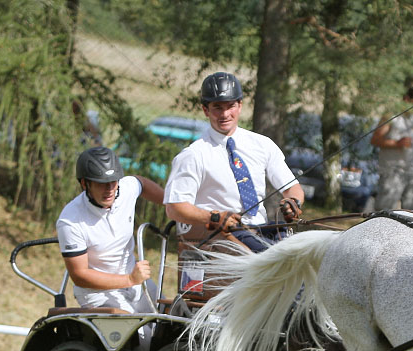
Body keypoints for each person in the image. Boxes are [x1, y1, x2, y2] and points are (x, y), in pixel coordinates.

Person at [164, 71, 304, 257]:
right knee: (281, 261)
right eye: (217, 107)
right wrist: (214, 217)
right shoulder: (193, 155)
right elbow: (174, 207)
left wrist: (293, 202)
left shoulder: (262, 145)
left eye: (230, 106)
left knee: (301, 254)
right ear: (205, 110)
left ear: (240, 105)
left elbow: (292, 188)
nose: (225, 114)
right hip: (222, 234)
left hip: (260, 229)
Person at [56, 146, 164, 317]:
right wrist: (129, 280)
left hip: (134, 282)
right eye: (100, 183)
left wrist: (171, 204)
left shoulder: (125, 189)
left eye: (113, 182)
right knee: (141, 339)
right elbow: (79, 275)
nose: (109, 190)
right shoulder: (70, 220)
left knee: (171, 321)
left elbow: (140, 183)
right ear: (85, 184)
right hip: (97, 293)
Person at [370, 82, 413, 211]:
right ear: (406, 99)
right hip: (392, 170)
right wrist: (396, 144)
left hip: (411, 170)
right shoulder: (391, 116)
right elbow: (375, 139)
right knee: (385, 209)